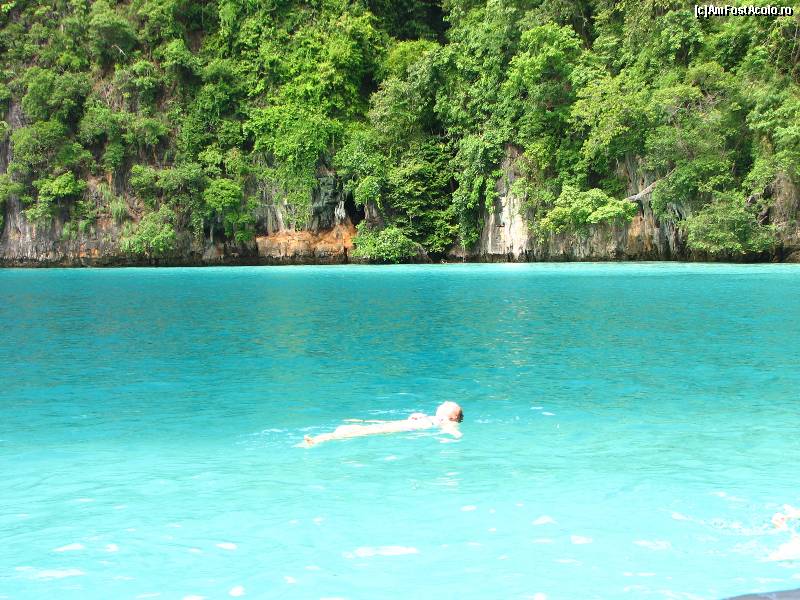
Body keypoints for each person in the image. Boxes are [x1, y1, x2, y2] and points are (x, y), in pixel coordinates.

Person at [301, 401, 463, 447]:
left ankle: (321, 438)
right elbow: (453, 432)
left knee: (368, 429)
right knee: (366, 431)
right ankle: (318, 439)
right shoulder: (444, 421)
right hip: (408, 427)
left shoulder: (430, 417)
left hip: (406, 424)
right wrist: (458, 435)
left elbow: (413, 416)